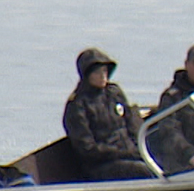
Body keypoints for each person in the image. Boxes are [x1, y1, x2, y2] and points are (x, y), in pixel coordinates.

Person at [63, 48, 154, 180]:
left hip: (130, 152)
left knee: (163, 159)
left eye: (105, 71)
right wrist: (121, 153)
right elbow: (87, 148)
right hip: (101, 164)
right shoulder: (77, 105)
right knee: (143, 171)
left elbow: (131, 123)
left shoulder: (114, 93)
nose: (103, 76)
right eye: (97, 72)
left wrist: (137, 147)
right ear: (87, 74)